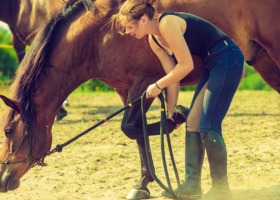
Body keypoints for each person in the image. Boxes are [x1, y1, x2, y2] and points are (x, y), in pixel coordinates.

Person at [112, 0, 245, 199]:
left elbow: (186, 65)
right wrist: (171, 111)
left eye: (131, 27)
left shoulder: (168, 23)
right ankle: (192, 187)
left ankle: (221, 190)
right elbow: (173, 76)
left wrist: (157, 85)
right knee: (192, 123)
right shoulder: (154, 40)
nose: (129, 32)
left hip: (228, 58)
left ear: (143, 19)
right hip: (213, 63)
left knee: (207, 125)